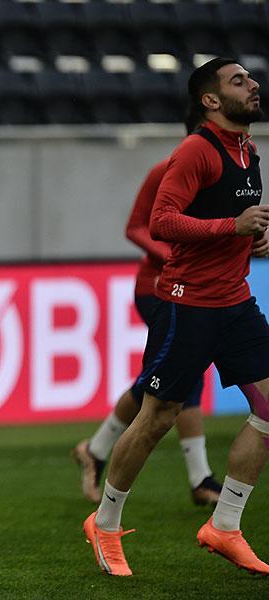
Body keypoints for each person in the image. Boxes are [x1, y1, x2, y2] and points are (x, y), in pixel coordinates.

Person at [83, 57, 269, 577]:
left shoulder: (247, 150)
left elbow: (233, 225)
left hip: (235, 301)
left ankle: (224, 525)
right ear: (210, 100)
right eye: (238, 81)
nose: (253, 84)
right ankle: (105, 523)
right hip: (187, 305)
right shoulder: (195, 151)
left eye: (250, 78)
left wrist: (254, 239)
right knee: (157, 417)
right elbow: (161, 222)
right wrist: (232, 227)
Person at [73, 112, 222, 507]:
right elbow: (136, 227)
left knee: (163, 379)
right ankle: (200, 478)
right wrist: (173, 258)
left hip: (198, 289)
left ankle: (95, 450)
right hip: (158, 287)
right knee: (178, 377)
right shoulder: (166, 170)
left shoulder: (228, 176)